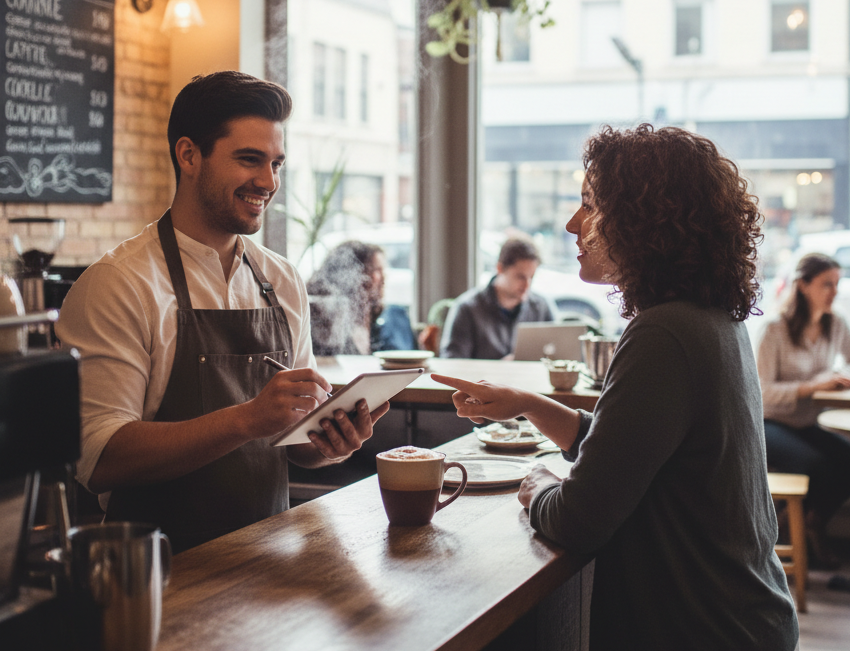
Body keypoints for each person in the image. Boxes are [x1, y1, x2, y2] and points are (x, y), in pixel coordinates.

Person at [434, 124, 799, 651]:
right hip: (747, 641)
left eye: (590, 205)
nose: (574, 225)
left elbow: (579, 519)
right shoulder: (706, 319)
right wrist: (529, 405)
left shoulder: (662, 334)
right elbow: (635, 450)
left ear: (643, 219)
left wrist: (540, 485)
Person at [59, 72, 386, 552]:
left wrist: (330, 441)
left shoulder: (282, 280)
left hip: (269, 566)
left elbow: (296, 444)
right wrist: (247, 419)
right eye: (249, 160)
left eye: (276, 163)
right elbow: (100, 457)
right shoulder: (119, 284)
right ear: (189, 155)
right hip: (160, 573)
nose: (269, 181)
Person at [756, 253, 850, 568]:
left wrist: (844, 378)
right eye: (827, 285)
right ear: (803, 286)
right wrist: (813, 385)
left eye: (837, 284)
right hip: (770, 423)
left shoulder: (836, 321)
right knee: (816, 465)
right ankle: (797, 529)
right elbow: (762, 393)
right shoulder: (773, 329)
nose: (834, 292)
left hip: (805, 423)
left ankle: (810, 519)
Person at [439, 236, 555, 359]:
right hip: (480, 378)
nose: (527, 284)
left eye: (532, 277)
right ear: (500, 269)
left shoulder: (542, 307)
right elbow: (452, 362)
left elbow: (559, 353)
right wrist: (499, 368)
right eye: (520, 277)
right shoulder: (467, 308)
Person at [307, 240, 416, 355]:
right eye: (376, 270)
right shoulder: (330, 326)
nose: (384, 278)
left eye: (383, 270)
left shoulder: (392, 320)